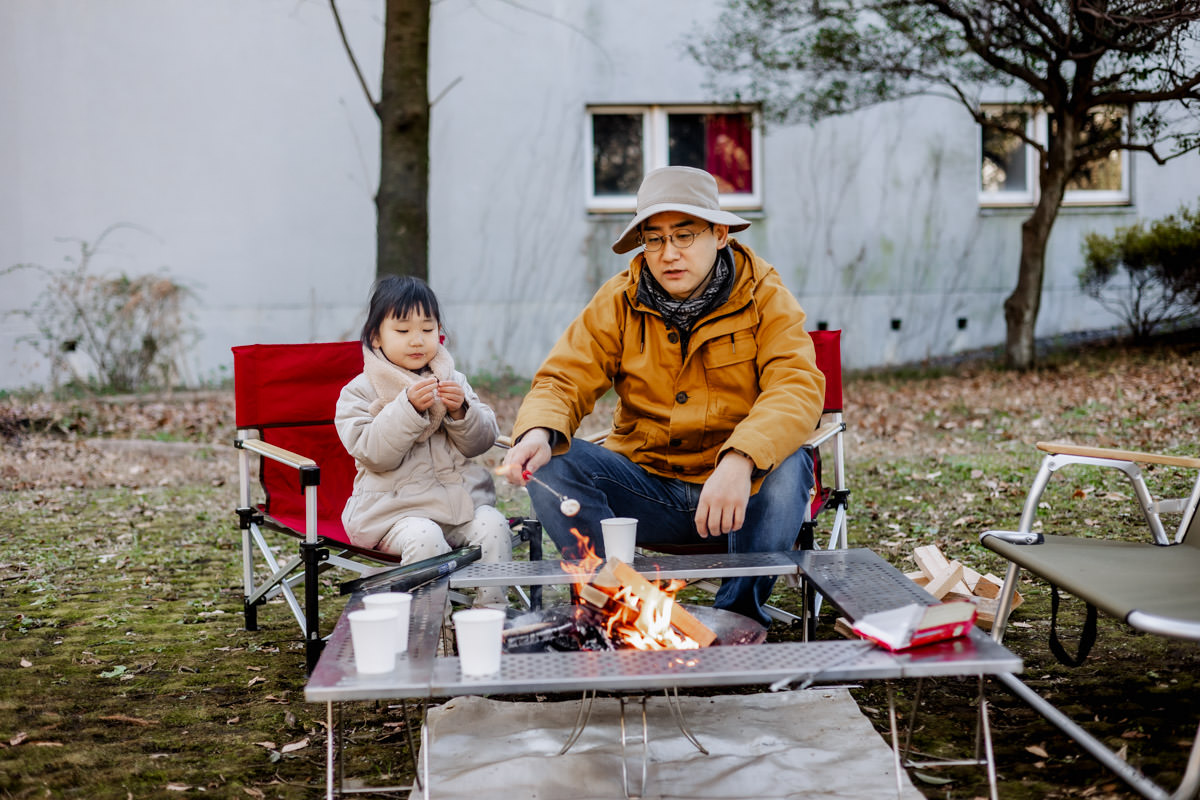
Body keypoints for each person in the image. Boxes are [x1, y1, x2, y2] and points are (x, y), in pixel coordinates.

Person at [501, 166, 825, 626]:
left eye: (684, 235)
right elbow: (564, 377)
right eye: (654, 239)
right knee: (553, 461)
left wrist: (740, 460)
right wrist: (537, 430)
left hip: (740, 493)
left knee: (789, 466)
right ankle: (618, 613)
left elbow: (796, 385)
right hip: (647, 486)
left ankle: (737, 621)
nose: (668, 254)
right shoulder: (619, 300)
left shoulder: (764, 295)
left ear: (719, 234)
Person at [336, 275, 511, 608]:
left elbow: (481, 441)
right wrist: (406, 409)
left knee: (493, 524)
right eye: (402, 331)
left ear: (439, 331)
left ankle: (491, 617)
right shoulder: (358, 392)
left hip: (455, 506)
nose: (416, 340)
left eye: (427, 330)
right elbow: (373, 453)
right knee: (424, 536)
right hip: (392, 513)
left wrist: (462, 410)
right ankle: (433, 632)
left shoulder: (452, 381)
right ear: (376, 337)